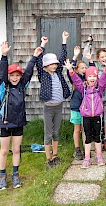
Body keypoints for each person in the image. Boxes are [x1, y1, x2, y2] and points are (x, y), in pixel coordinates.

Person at [0, 41, 42, 190]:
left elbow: (28, 72)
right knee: (4, 150)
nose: (15, 78)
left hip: (19, 123)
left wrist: (35, 56)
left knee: (16, 150)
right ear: (8, 76)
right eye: (12, 75)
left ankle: (15, 175)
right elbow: (2, 73)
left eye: (17, 75)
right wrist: (4, 55)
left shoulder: (22, 86)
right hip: (4, 123)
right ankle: (2, 175)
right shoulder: (4, 86)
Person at [66, 57, 106, 168]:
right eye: (89, 76)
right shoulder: (83, 88)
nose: (92, 78)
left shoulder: (99, 88)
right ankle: (87, 158)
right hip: (86, 117)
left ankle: (99, 156)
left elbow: (103, 79)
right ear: (86, 77)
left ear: (96, 78)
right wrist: (71, 71)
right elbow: (76, 80)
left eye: (94, 76)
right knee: (87, 138)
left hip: (96, 117)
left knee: (97, 137)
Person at [36, 32, 71, 168]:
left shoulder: (58, 73)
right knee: (48, 133)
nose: (54, 66)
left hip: (59, 106)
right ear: (45, 66)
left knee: (56, 132)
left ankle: (55, 155)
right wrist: (42, 45)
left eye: (55, 64)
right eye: (51, 64)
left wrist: (64, 40)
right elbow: (38, 61)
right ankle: (48, 158)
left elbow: (62, 57)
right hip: (48, 108)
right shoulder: (42, 75)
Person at [66, 46, 95, 160]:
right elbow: (70, 71)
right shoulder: (76, 78)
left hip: (86, 107)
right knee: (77, 129)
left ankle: (85, 147)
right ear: (77, 69)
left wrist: (91, 61)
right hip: (76, 106)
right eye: (81, 68)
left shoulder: (88, 79)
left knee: (85, 129)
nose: (84, 69)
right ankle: (77, 149)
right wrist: (75, 56)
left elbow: (94, 73)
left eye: (85, 67)